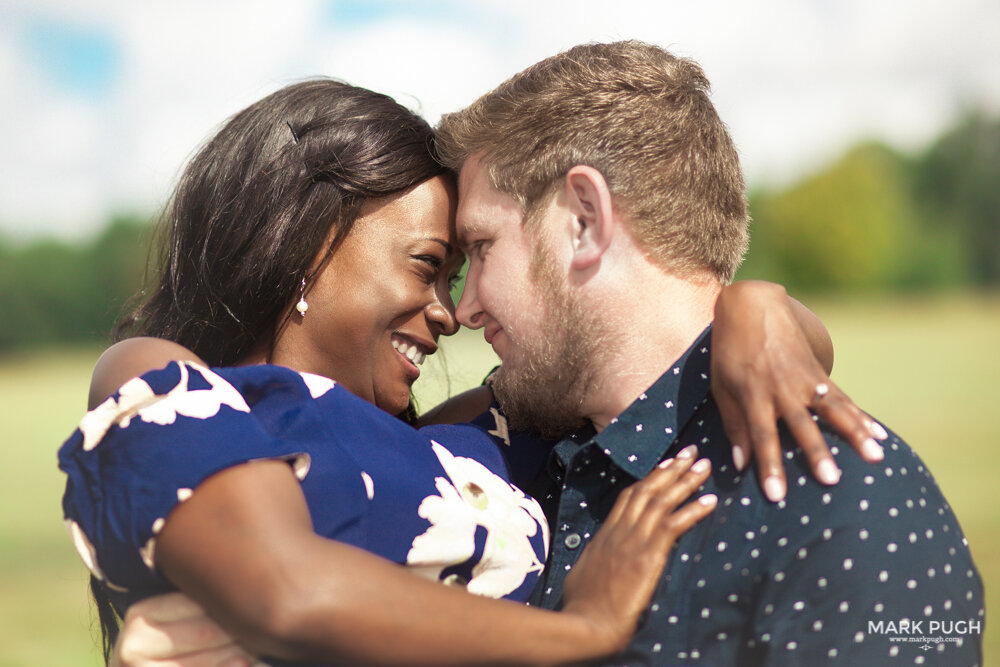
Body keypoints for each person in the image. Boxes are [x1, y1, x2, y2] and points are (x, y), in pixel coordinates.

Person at [67, 73, 878, 666]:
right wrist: (586, 628)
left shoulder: (476, 446)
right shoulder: (160, 384)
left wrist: (755, 307)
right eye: (429, 266)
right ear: (304, 246)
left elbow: (663, 355)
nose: (451, 311)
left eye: (463, 271)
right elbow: (290, 591)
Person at [425, 41, 983, 664]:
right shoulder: (528, 464)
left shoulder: (846, 501)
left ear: (584, 220)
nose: (464, 308)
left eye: (480, 247)